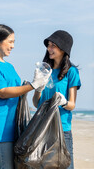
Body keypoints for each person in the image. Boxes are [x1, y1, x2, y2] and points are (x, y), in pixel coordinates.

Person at [0, 24, 51, 169]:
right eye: (10, 42)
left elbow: (18, 91)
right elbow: (2, 92)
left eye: (14, 42)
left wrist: (36, 85)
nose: (13, 46)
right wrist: (32, 85)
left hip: (16, 128)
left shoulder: (9, 66)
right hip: (0, 131)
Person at [32, 30, 81, 169]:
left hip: (62, 129)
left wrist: (64, 102)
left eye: (53, 45)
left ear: (63, 48)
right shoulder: (45, 71)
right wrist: (38, 88)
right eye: (48, 45)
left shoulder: (71, 72)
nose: (49, 49)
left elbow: (72, 105)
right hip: (42, 128)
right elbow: (36, 104)